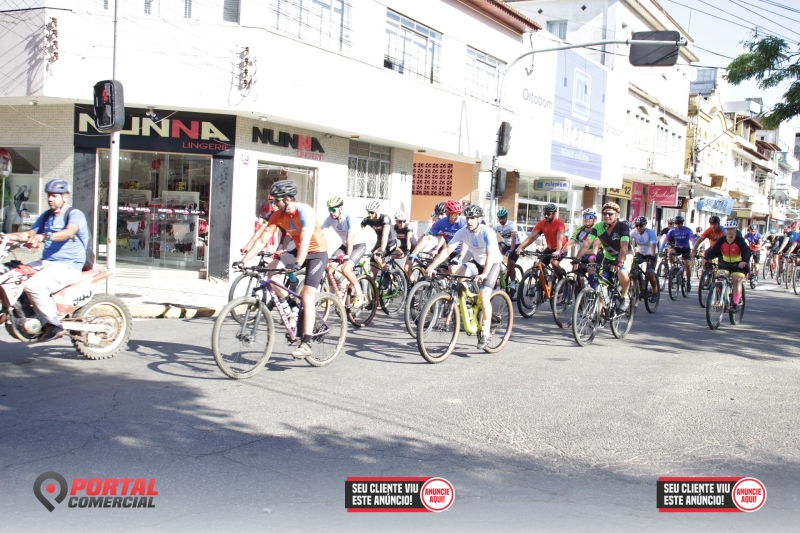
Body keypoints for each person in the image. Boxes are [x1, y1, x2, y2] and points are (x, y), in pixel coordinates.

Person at [235, 180, 328, 359]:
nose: (273, 204)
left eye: (276, 200)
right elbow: (262, 240)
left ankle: (306, 343)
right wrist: (243, 261)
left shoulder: (305, 211)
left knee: (308, 295)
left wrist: (298, 263)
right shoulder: (277, 215)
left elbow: (306, 240)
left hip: (317, 253)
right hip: (297, 250)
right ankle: (291, 305)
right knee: (270, 273)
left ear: (287, 199)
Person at [1, 179, 90, 342]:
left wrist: (44, 236)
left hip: (68, 265)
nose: (50, 199)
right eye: (49, 195)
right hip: (46, 263)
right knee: (13, 276)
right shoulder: (46, 216)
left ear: (65, 197)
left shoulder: (74, 214)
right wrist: (6, 237)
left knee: (34, 285)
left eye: (55, 195)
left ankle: (53, 324)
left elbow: (69, 232)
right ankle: (26, 315)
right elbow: (29, 234)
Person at [425, 204, 501, 350]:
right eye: (467, 218)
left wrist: (484, 274)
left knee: (484, 295)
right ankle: (470, 304)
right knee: (459, 276)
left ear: (480, 219)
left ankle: (486, 333)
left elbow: (490, 256)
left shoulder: (487, 232)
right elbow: (447, 250)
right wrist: (432, 266)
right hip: (477, 262)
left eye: (472, 218)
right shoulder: (463, 231)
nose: (469, 221)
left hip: (492, 264)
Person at [575, 201, 632, 311]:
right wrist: (577, 258)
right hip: (609, 257)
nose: (607, 216)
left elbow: (624, 247)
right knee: (601, 286)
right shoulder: (598, 227)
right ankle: (601, 313)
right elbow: (587, 244)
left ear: (617, 215)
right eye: (605, 213)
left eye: (610, 214)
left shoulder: (622, 227)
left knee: (622, 272)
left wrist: (619, 262)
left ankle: (625, 296)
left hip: (625, 256)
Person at [321, 196, 367, 308]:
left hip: (358, 246)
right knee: (329, 267)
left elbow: (349, 238)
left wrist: (347, 256)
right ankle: (332, 296)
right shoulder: (330, 219)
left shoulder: (349, 217)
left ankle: (360, 295)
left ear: (340, 208)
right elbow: (321, 233)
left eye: (333, 209)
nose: (331, 212)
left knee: (345, 269)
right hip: (345, 245)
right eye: (329, 209)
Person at [704, 219, 751, 313]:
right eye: (727, 229)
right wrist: (705, 258)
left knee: (736, 279)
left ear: (735, 230)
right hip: (725, 264)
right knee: (719, 277)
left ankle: (736, 303)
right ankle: (720, 297)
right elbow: (713, 250)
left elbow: (748, 252)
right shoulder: (721, 240)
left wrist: (744, 261)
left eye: (731, 229)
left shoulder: (740, 240)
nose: (729, 231)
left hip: (738, 265)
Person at [408, 199, 467, 272]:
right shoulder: (440, 223)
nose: (457, 217)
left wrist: (460, 256)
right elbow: (427, 237)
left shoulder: (463, 223)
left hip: (465, 251)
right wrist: (414, 252)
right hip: (450, 250)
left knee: (453, 269)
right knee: (439, 270)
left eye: (459, 214)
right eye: (454, 214)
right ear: (447, 214)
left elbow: (466, 242)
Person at [515, 203, 566, 280]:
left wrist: (558, 251)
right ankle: (540, 284)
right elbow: (531, 237)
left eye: (548, 214)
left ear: (554, 214)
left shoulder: (559, 223)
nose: (546, 216)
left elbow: (559, 238)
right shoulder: (541, 223)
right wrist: (521, 247)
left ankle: (561, 280)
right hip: (550, 248)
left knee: (554, 263)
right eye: (544, 214)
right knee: (537, 264)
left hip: (561, 248)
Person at [361, 200, 397, 274]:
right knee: (373, 266)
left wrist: (382, 250)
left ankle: (387, 275)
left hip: (390, 242)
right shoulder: (367, 220)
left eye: (372, 212)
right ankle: (373, 280)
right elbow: (358, 232)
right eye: (368, 212)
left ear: (377, 211)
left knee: (377, 257)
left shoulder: (385, 218)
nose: (369, 214)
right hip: (379, 243)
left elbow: (385, 235)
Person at [492, 207, 519, 295]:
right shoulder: (497, 226)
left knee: (510, 265)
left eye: (503, 218)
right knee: (495, 251)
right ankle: (497, 272)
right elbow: (490, 235)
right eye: (499, 218)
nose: (501, 220)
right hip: (505, 244)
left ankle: (513, 285)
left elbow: (514, 238)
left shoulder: (512, 224)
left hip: (516, 245)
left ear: (506, 217)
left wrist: (512, 249)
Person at [630, 215, 659, 295]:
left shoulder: (650, 232)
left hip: (651, 253)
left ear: (645, 225)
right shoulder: (633, 232)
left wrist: (652, 256)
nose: (638, 227)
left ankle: (655, 292)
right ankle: (637, 285)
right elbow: (627, 243)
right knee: (632, 268)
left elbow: (653, 245)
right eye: (637, 225)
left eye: (640, 225)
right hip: (640, 253)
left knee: (650, 273)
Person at [665, 215, 695, 289]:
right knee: (670, 252)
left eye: (679, 223)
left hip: (686, 249)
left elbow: (692, 240)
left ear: (682, 223)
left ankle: (688, 282)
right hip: (677, 248)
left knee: (687, 264)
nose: (678, 225)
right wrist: (661, 249)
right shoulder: (672, 230)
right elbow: (665, 241)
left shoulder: (688, 230)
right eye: (676, 223)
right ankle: (674, 268)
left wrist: (694, 248)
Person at [392, 212, 417, 278]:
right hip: (403, 246)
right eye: (400, 222)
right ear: (396, 221)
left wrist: (408, 250)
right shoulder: (394, 227)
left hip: (412, 247)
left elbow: (408, 239)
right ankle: (393, 273)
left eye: (404, 221)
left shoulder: (408, 227)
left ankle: (412, 283)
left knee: (406, 268)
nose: (402, 223)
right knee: (391, 254)